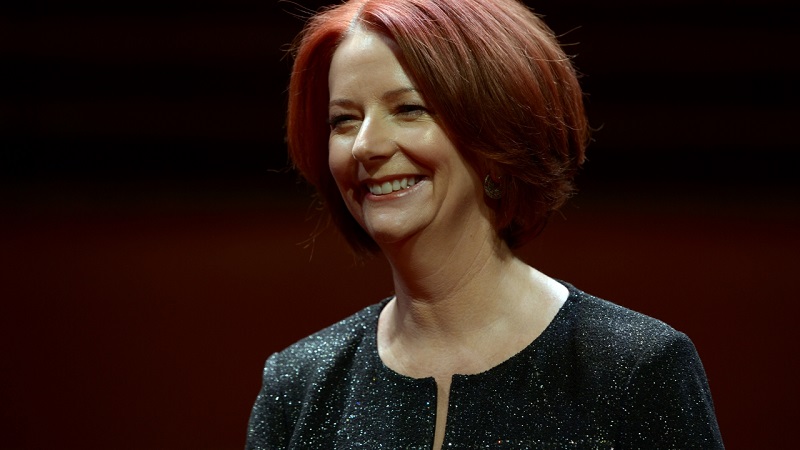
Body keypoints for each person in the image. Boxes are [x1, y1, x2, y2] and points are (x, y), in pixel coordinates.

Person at [246, 0, 724, 448]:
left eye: (408, 109)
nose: (365, 146)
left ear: (498, 137)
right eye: (343, 120)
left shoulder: (635, 368)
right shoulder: (299, 386)